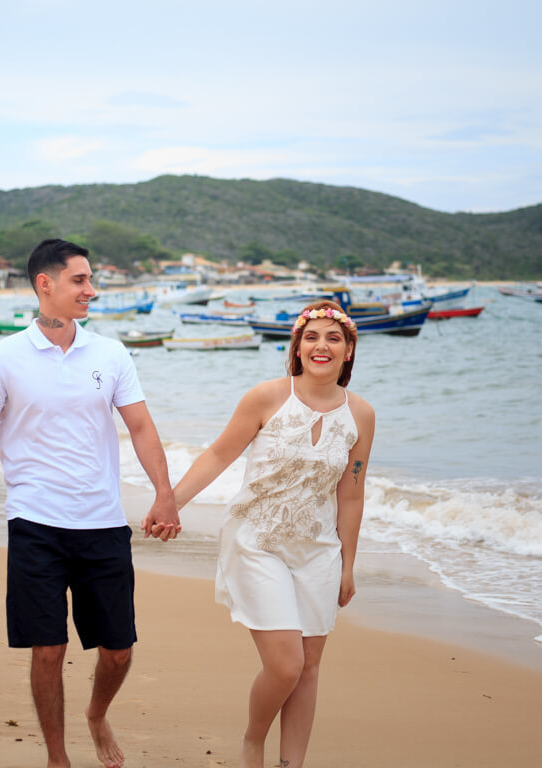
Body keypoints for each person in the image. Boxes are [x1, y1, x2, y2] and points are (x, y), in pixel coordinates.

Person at [0, 238, 180, 768]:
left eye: (91, 279)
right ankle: (58, 759)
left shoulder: (111, 353)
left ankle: (97, 714)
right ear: (45, 284)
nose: (91, 290)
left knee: (119, 649)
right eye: (80, 280)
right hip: (34, 522)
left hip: (102, 521)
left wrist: (164, 493)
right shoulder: (1, 358)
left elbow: (142, 426)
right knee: (47, 648)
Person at [147, 298, 375, 768]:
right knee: (286, 664)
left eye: (334, 338)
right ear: (296, 347)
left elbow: (351, 494)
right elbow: (217, 455)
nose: (321, 346)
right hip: (258, 542)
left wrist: (348, 566)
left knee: (309, 670)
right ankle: (254, 742)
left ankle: (292, 764)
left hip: (319, 553)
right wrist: (170, 501)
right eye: (311, 337)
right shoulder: (267, 397)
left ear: (348, 351)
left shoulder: (362, 415)